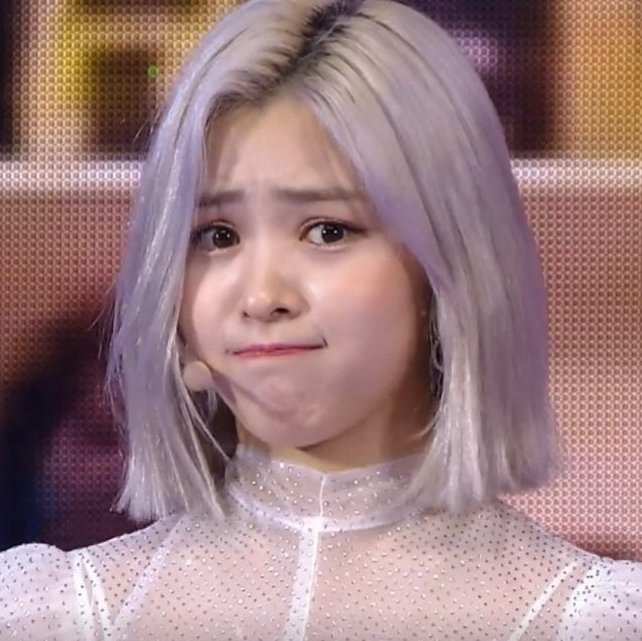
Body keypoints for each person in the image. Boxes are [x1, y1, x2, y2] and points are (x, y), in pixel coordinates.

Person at [1, 0, 640, 639]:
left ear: (447, 266)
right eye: (217, 236)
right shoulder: (50, 612)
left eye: (327, 231)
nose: (261, 296)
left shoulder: (594, 619)